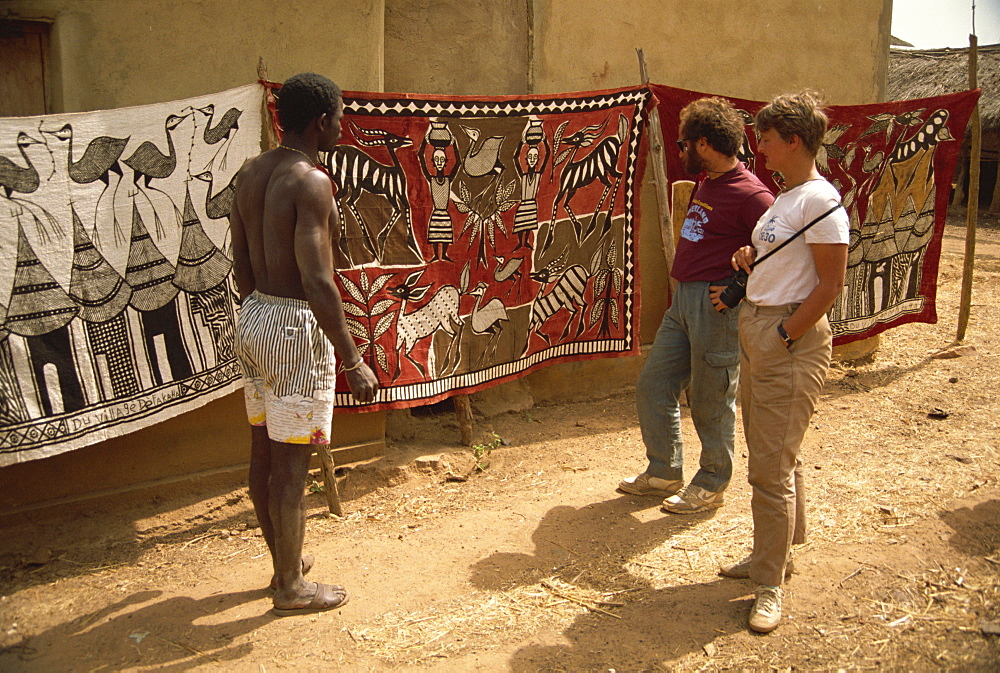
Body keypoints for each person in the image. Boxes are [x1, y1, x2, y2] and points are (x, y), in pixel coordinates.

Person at [229, 72, 379, 616]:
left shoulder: (249, 175)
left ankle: (284, 565)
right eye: (340, 116)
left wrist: (261, 317)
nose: (343, 125)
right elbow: (318, 280)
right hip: (295, 327)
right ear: (321, 121)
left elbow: (243, 263)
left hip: (254, 316)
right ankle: (290, 588)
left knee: (263, 452)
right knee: (292, 465)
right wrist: (352, 357)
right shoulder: (311, 182)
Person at [714, 91, 849, 633]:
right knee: (776, 451)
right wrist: (749, 257)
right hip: (764, 325)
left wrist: (784, 337)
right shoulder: (788, 197)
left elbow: (831, 284)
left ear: (793, 140)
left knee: (769, 468)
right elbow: (783, 260)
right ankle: (779, 552)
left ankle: (768, 582)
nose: (759, 147)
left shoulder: (818, 199)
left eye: (767, 138)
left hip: (785, 334)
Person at [618, 97, 773, 514]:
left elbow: (781, 251)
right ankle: (665, 470)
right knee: (655, 384)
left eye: (684, 143)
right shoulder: (710, 181)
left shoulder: (752, 195)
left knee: (711, 398)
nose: (680, 150)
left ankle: (711, 482)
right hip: (685, 303)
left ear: (703, 143)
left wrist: (736, 289)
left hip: (714, 305)